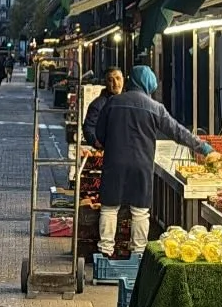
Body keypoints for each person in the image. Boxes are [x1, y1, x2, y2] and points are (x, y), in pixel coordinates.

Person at [90, 64, 212, 258]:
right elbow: (178, 132)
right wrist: (205, 148)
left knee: (109, 208)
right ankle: (138, 253)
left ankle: (105, 251)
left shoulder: (113, 103)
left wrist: (112, 143)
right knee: (140, 212)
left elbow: (99, 134)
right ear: (148, 84)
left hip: (114, 163)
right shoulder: (156, 108)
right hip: (142, 166)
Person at [82, 68, 123, 146]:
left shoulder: (127, 101)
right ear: (106, 83)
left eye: (118, 78)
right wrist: (96, 142)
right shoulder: (98, 104)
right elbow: (89, 127)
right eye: (111, 80)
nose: (116, 83)